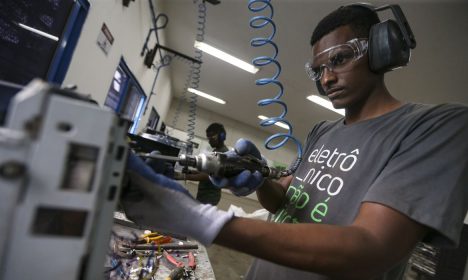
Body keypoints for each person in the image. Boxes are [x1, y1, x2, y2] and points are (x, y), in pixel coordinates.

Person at [121, 4, 468, 279]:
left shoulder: (437, 126)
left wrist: (199, 219)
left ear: (381, 49)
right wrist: (260, 178)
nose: (327, 78)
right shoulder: (323, 131)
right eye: (318, 70)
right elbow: (284, 200)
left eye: (339, 59)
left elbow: (370, 248)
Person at [174, 122, 229, 205]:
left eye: (211, 137)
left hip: (210, 195)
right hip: (205, 192)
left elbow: (208, 176)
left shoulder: (223, 153)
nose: (209, 141)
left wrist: (184, 176)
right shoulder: (216, 151)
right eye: (208, 138)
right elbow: (207, 172)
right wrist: (191, 172)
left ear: (221, 136)